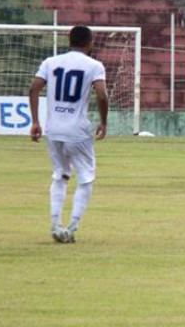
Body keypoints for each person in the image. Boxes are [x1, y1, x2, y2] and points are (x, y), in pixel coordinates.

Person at [29, 26, 109, 244]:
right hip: (78, 131)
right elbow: (101, 95)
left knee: (60, 174)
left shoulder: (50, 62)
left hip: (53, 130)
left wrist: (36, 121)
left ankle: (55, 224)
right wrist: (103, 121)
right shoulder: (94, 65)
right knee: (85, 177)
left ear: (69, 40)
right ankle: (71, 227)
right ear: (90, 43)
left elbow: (34, 88)